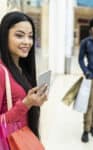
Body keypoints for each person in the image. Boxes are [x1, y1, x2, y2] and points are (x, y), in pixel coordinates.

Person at [0, 11, 48, 144]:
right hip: (9, 142)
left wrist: (34, 101)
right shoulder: (1, 71)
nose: (27, 42)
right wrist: (26, 103)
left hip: (23, 139)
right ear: (4, 36)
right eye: (19, 36)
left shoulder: (21, 68)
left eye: (30, 36)